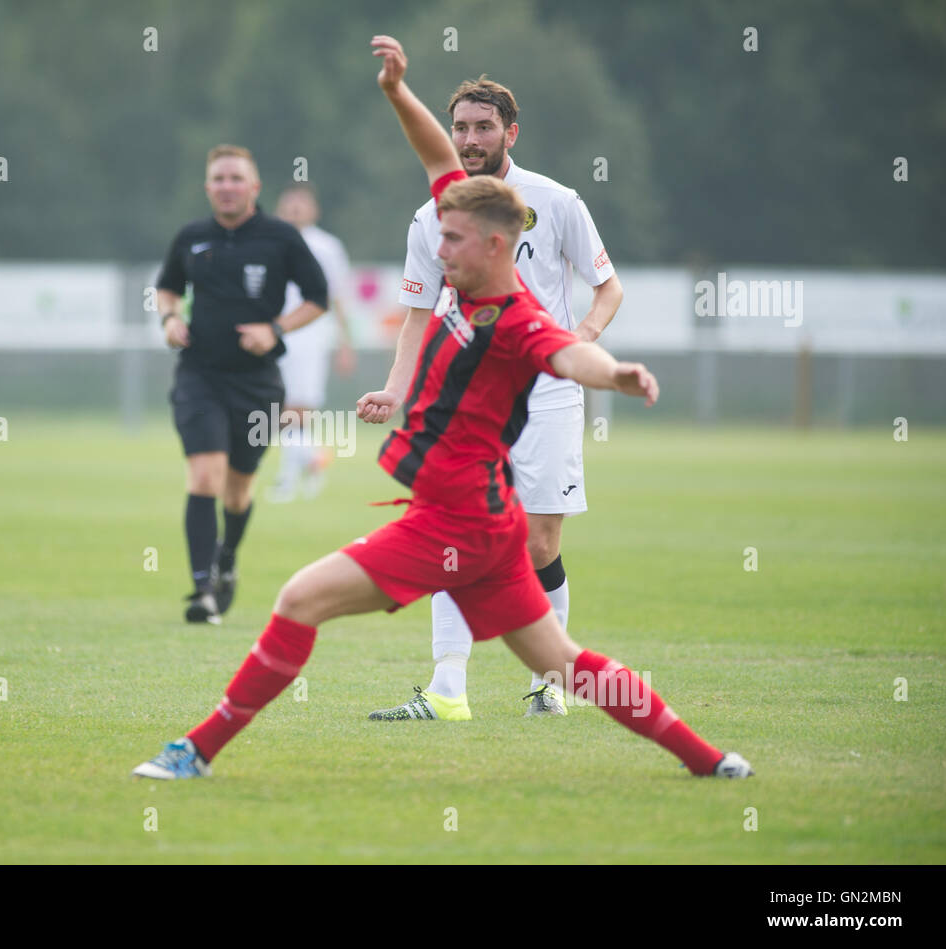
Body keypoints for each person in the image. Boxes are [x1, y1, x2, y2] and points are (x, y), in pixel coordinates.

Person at [132, 36, 752, 782]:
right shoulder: (464, 257)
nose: (439, 248)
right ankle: (708, 759)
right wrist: (397, 91)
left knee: (298, 599)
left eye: (453, 240)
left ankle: (193, 752)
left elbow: (569, 355)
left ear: (496, 244)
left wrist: (616, 373)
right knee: (568, 663)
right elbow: (435, 158)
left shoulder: (520, 320)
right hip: (485, 525)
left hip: (453, 523)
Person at [369, 72, 623, 722]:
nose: (470, 138)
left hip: (548, 395)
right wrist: (397, 391)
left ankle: (550, 680)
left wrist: (574, 343)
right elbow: (417, 315)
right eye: (460, 127)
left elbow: (607, 287)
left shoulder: (556, 200)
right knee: (455, 537)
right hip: (469, 400)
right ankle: (447, 687)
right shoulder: (433, 216)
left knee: (539, 543)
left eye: (483, 127)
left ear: (511, 132)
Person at [156, 145, 329, 625]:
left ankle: (226, 559)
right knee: (204, 478)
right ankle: (202, 591)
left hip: (257, 386)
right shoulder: (191, 237)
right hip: (199, 376)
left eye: (237, 178)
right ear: (207, 187)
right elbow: (166, 286)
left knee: (237, 492)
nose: (227, 185)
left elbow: (318, 298)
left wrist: (274, 330)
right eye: (219, 178)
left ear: (254, 187)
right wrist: (170, 317)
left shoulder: (280, 238)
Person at [269, 184, 357, 502]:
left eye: (301, 204)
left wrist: (345, 343)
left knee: (298, 407)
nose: (294, 210)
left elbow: (338, 298)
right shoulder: (271, 241)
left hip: (310, 335)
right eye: (288, 204)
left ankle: (288, 478)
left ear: (314, 210)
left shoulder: (326, 247)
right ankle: (312, 459)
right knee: (278, 406)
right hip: (275, 333)